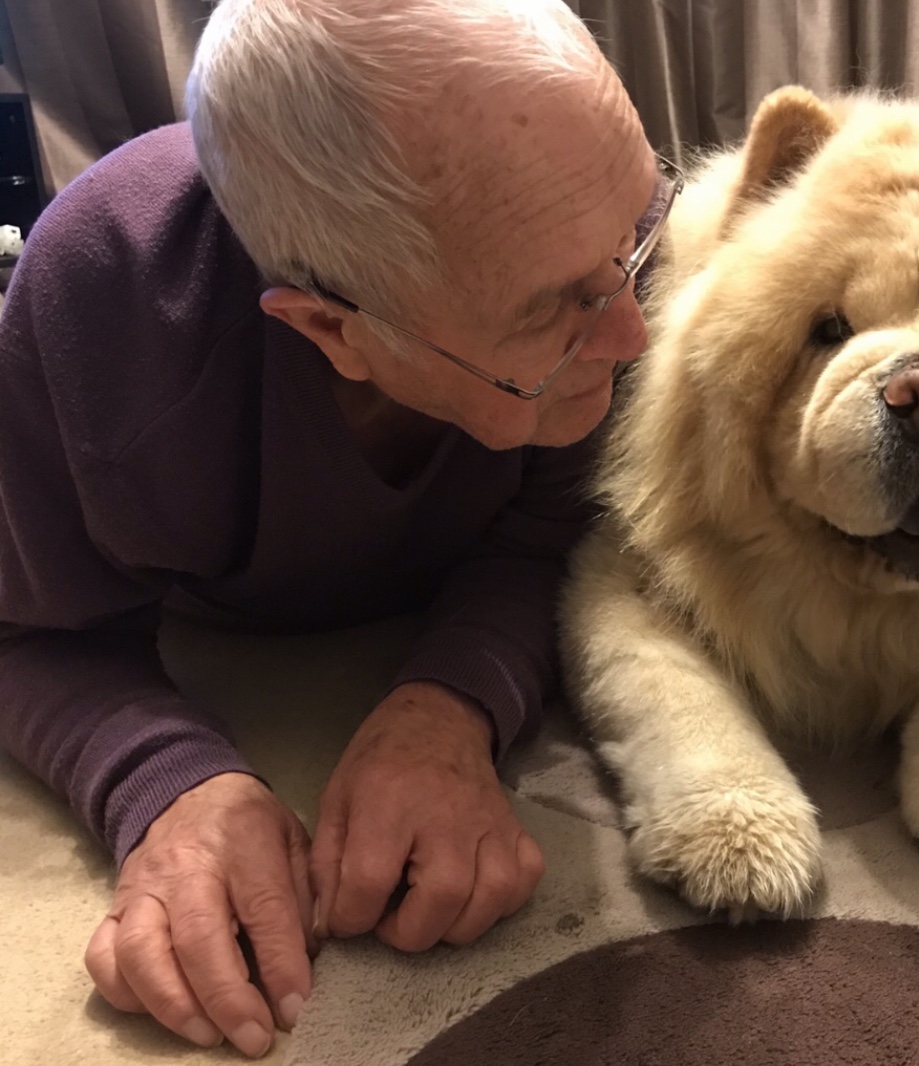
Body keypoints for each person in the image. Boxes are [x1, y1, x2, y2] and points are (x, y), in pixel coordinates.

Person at [0, 0, 679, 1057]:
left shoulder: (600, 257)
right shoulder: (102, 319)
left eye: (639, 226)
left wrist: (453, 701)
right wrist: (165, 782)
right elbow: (28, 626)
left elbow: (558, 535)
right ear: (332, 330)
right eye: (557, 310)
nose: (638, 331)